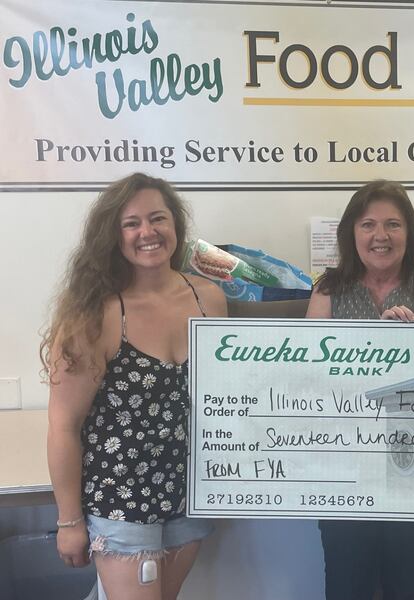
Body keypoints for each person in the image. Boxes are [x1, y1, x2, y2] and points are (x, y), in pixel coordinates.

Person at [41, 173, 227, 600]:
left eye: (158, 218)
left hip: (188, 493)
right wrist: (69, 522)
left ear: (175, 225)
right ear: (113, 235)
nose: (148, 232)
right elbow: (63, 425)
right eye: (131, 223)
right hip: (119, 499)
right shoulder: (96, 315)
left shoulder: (209, 299)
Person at [305, 179, 414, 600]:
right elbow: (310, 383)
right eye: (368, 224)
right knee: (345, 586)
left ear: (409, 232)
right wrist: (374, 342)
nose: (380, 236)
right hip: (343, 467)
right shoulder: (327, 290)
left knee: (407, 585)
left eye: (393, 224)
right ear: (351, 233)